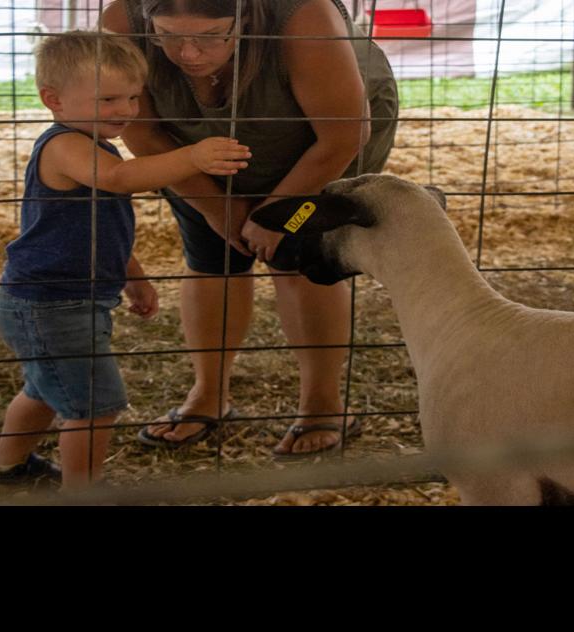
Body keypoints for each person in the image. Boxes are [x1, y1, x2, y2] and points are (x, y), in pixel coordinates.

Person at [101, 0, 399, 456]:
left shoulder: (303, 16)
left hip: (321, 143)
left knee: (298, 259)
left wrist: (274, 213)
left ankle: (322, 403)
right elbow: (142, 133)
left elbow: (344, 134)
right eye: (167, 35)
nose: (188, 54)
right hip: (198, 146)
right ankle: (209, 394)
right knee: (211, 256)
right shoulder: (121, 19)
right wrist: (218, 210)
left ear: (243, 19)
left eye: (210, 35)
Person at [0, 30, 250, 489]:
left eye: (132, 97)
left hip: (65, 300)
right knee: (94, 404)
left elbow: (98, 228)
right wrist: (193, 157)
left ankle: (7, 469)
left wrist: (134, 277)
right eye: (108, 99)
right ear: (54, 100)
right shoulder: (64, 145)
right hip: (51, 303)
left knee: (46, 389)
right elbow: (122, 178)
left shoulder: (94, 145)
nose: (126, 110)